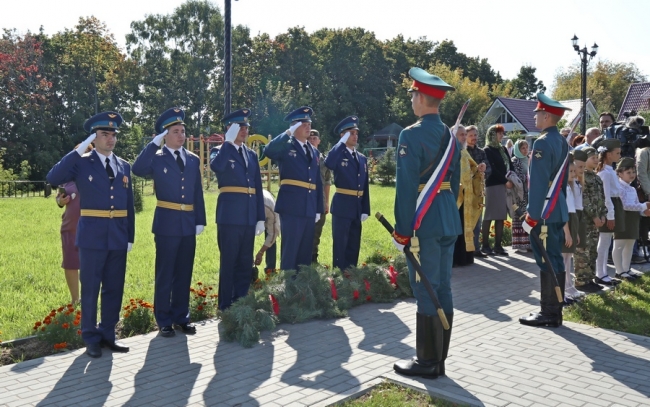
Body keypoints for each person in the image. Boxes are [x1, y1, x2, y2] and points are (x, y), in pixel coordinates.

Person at [46, 111, 134, 358]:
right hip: (92, 235)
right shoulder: (82, 163)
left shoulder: (123, 165)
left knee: (114, 288)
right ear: (94, 138)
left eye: (113, 134)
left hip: (117, 235)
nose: (111, 138)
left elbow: (128, 206)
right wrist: (80, 149)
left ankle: (108, 334)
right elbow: (53, 177)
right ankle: (90, 337)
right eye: (104, 134)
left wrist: (129, 236)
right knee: (91, 288)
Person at [392, 67, 461, 378]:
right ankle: (439, 357)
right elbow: (456, 181)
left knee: (425, 288)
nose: (411, 100)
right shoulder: (450, 136)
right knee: (443, 286)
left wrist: (403, 231)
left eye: (412, 95)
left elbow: (406, 188)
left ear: (420, 97)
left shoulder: (411, 134)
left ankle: (426, 362)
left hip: (425, 222)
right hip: (448, 217)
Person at [132, 107, 207, 337]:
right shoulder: (157, 157)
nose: (181, 135)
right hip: (167, 223)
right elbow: (137, 169)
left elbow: (197, 192)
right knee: (165, 272)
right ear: (165, 135)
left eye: (183, 130)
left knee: (184, 271)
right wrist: (153, 144)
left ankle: (181, 317)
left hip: (187, 222)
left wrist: (200, 219)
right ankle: (163, 319)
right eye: (176, 131)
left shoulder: (193, 160)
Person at [519, 93, 570, 328]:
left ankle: (549, 312)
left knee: (546, 259)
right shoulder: (561, 141)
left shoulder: (541, 142)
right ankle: (554, 310)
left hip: (545, 210)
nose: (535, 116)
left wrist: (532, 214)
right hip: (557, 206)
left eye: (537, 113)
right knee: (555, 258)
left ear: (547, 115)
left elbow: (538, 184)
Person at [210, 108, 265, 310]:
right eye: (240, 127)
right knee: (229, 262)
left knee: (244, 262)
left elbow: (258, 187)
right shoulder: (220, 150)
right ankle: (225, 305)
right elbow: (217, 167)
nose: (245, 130)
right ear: (229, 129)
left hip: (249, 215)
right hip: (230, 216)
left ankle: (241, 301)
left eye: (246, 126)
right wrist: (227, 142)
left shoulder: (251, 155)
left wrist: (260, 217)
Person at [264, 107, 323, 272]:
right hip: (292, 207)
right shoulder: (286, 146)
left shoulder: (313, 151)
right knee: (290, 252)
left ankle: (301, 292)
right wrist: (287, 133)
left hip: (309, 207)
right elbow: (268, 151)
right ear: (294, 126)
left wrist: (318, 208)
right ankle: (287, 289)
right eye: (303, 123)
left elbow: (317, 181)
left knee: (305, 254)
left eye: (309, 122)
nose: (308, 126)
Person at [325, 116, 371, 271]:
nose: (355, 136)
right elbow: (328, 163)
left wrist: (365, 209)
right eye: (351, 133)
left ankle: (351, 276)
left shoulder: (362, 159)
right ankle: (338, 278)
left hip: (357, 207)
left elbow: (365, 186)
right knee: (340, 245)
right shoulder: (339, 154)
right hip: (342, 206)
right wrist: (340, 143)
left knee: (353, 245)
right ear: (343, 135)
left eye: (356, 133)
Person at [574, 147, 607, 293]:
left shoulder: (597, 177)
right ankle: (581, 280)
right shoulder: (581, 177)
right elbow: (584, 199)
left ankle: (590, 279)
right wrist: (594, 216)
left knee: (593, 250)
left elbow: (602, 198)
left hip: (596, 220)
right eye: (592, 157)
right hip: (586, 220)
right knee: (583, 251)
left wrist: (603, 214)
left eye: (597, 157)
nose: (596, 159)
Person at [613, 157, 650, 280]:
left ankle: (626, 268)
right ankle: (619, 271)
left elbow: (636, 206)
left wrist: (645, 212)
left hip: (633, 220)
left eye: (633, 172)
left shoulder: (632, 188)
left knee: (630, 245)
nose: (632, 175)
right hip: (623, 219)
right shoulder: (620, 187)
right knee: (619, 245)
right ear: (619, 173)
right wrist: (644, 205)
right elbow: (625, 206)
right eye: (628, 172)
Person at [594, 139, 624, 287]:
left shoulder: (610, 170)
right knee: (604, 242)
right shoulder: (604, 172)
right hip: (609, 207)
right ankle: (600, 273)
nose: (620, 155)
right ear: (608, 154)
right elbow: (605, 196)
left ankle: (603, 272)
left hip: (614, 205)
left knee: (606, 242)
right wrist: (610, 216)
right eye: (617, 153)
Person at [481, 124, 511, 256]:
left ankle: (498, 246)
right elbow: (492, 169)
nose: (502, 135)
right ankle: (485, 245)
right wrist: (505, 181)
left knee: (500, 216)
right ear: (492, 135)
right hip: (493, 185)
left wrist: (511, 178)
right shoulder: (487, 150)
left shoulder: (503, 149)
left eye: (502, 133)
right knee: (489, 216)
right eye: (499, 133)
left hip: (504, 185)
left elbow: (509, 164)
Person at [453, 125, 479, 266]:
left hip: (466, 196)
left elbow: (472, 169)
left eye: (464, 134)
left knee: (465, 227)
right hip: (455, 196)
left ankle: (465, 258)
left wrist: (478, 171)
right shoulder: (450, 152)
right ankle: (455, 259)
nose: (464, 137)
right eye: (461, 134)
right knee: (456, 228)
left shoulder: (463, 152)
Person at [465, 125, 490, 258]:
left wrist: (484, 169)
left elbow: (489, 169)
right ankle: (465, 249)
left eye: (475, 135)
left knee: (477, 220)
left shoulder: (481, 152)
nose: (474, 138)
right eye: (471, 135)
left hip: (478, 192)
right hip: (465, 192)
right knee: (466, 220)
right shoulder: (463, 152)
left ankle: (476, 248)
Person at [56, 179, 81, 304]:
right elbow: (58, 198)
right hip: (69, 227)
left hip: (92, 228)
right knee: (70, 263)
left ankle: (90, 298)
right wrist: (60, 201)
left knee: (91, 265)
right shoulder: (67, 174)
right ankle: (75, 300)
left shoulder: (95, 169)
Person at [561, 159, 583, 304]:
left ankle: (569, 285)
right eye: (571, 171)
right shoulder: (562, 189)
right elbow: (563, 214)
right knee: (562, 259)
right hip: (565, 223)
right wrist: (568, 233)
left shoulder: (570, 187)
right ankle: (562, 290)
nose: (574, 174)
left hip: (572, 219)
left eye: (575, 171)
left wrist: (575, 233)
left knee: (568, 258)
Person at [308, 129, 332, 263]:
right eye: (310, 138)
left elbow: (328, 182)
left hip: (320, 200)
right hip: (307, 200)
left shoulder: (324, 160)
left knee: (317, 232)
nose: (312, 140)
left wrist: (327, 202)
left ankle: (313, 258)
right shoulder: (304, 156)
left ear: (319, 141)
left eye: (314, 138)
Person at [511, 140, 531, 252]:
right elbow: (516, 176)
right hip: (519, 194)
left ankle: (528, 243)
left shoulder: (528, 159)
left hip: (528, 193)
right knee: (520, 216)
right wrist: (526, 177)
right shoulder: (515, 161)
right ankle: (520, 244)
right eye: (522, 148)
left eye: (526, 148)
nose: (525, 150)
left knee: (528, 216)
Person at [254, 189, 281, 273]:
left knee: (271, 239)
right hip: (250, 210)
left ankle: (270, 268)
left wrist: (261, 252)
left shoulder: (270, 209)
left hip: (268, 208)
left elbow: (273, 233)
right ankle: (248, 268)